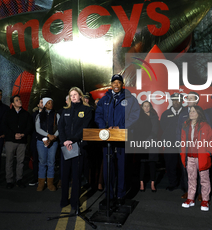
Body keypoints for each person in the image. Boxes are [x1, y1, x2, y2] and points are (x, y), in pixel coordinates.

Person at [95, 74, 140, 205]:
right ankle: (109, 195)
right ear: (111, 84)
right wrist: (104, 128)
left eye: (118, 82)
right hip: (107, 138)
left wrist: (120, 127)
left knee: (122, 167)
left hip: (122, 138)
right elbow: (98, 115)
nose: (116, 85)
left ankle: (120, 195)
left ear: (122, 84)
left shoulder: (130, 99)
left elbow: (135, 116)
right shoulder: (104, 99)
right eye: (114, 82)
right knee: (108, 168)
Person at [58, 87, 92, 211]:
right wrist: (64, 141)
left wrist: (72, 140)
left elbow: (85, 128)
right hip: (65, 147)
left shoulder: (87, 110)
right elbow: (60, 127)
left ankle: (74, 202)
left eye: (75, 94)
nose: (73, 97)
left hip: (78, 146)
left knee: (76, 176)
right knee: (65, 175)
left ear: (80, 96)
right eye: (71, 95)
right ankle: (63, 200)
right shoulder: (65, 110)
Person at [176, 91, 211, 200]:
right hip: (186, 150)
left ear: (197, 100)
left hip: (199, 151)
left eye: (192, 98)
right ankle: (188, 192)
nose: (190, 100)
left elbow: (209, 132)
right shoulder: (183, 115)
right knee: (187, 172)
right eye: (188, 98)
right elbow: (178, 130)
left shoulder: (203, 114)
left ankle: (201, 193)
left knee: (201, 172)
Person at [180, 106, 212, 211]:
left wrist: (208, 152)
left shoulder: (205, 126)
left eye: (194, 111)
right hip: (189, 157)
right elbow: (182, 140)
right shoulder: (185, 125)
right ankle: (190, 199)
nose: (191, 113)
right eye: (190, 111)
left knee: (204, 180)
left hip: (202, 157)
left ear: (199, 113)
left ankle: (205, 200)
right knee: (191, 179)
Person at [160, 93, 187, 191]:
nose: (176, 102)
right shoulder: (166, 113)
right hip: (170, 143)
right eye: (174, 100)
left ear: (182, 101)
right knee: (170, 165)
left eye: (178, 100)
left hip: (184, 144)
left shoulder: (187, 112)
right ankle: (173, 184)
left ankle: (185, 186)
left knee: (185, 165)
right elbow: (162, 127)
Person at [4, 95, 32, 189]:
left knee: (20, 161)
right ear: (12, 103)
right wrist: (13, 135)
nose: (19, 101)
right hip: (10, 141)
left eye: (19, 99)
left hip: (22, 141)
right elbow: (5, 127)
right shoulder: (8, 113)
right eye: (17, 100)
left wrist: (23, 134)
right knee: (9, 161)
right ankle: (9, 181)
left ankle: (19, 180)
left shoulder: (26, 114)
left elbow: (29, 126)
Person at [35, 97, 60, 191]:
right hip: (41, 141)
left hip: (53, 141)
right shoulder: (39, 115)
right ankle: (41, 183)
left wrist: (53, 137)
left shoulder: (56, 115)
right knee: (42, 162)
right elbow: (37, 129)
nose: (51, 104)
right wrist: (48, 135)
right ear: (45, 104)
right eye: (48, 103)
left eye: (51, 102)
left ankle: (50, 183)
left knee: (51, 162)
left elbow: (59, 128)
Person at [139, 101, 159, 192]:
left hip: (152, 143)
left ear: (150, 107)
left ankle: (152, 183)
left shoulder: (155, 117)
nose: (146, 108)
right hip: (142, 144)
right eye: (144, 106)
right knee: (142, 164)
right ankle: (141, 183)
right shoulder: (138, 118)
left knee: (152, 164)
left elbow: (155, 130)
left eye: (148, 106)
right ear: (142, 107)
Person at [28, 98, 44, 186]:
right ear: (38, 105)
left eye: (44, 102)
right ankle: (35, 178)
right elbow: (31, 127)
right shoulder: (33, 115)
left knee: (44, 160)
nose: (43, 104)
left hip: (45, 140)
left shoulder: (48, 114)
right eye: (41, 102)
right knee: (35, 159)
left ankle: (43, 178)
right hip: (35, 139)